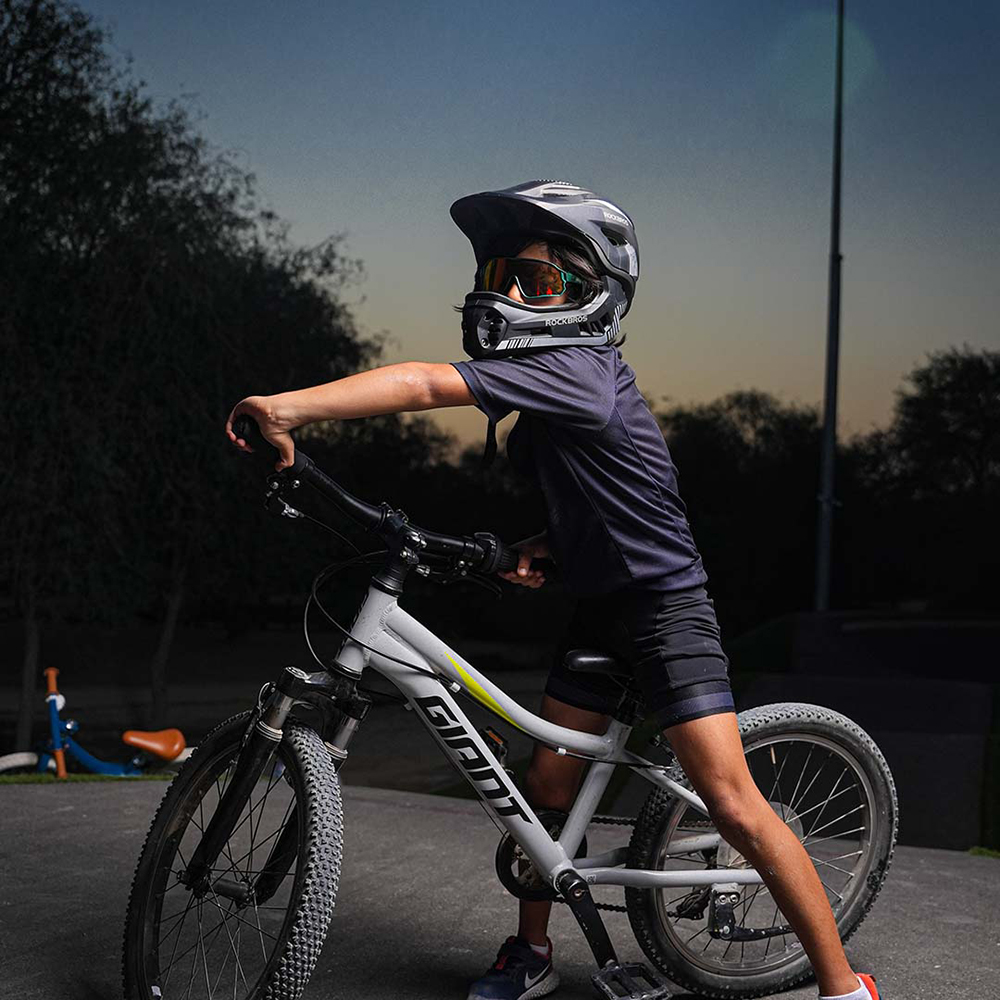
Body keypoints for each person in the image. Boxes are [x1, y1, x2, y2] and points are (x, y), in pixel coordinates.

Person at [225, 180, 882, 1000]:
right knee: (545, 790)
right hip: (601, 608)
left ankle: (842, 988)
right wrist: (537, 549)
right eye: (501, 275)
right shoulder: (542, 411)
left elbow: (427, 385)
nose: (505, 295)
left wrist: (287, 409)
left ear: (593, 300)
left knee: (735, 805)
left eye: (533, 284)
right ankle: (531, 955)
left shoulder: (581, 369)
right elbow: (604, 505)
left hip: (664, 609)